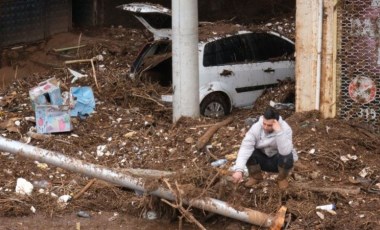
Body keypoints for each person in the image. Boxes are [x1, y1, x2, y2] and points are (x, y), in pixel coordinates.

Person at [232, 107, 298, 190]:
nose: (265, 127)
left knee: (288, 155)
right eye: (264, 123)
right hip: (262, 159)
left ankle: (281, 178)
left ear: (276, 123)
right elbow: (245, 147)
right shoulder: (256, 127)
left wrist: (279, 131)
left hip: (278, 162)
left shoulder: (286, 129)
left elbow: (285, 152)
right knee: (249, 152)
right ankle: (256, 177)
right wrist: (239, 170)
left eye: (269, 125)